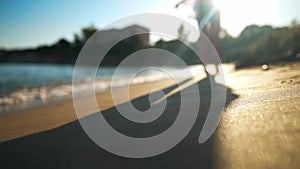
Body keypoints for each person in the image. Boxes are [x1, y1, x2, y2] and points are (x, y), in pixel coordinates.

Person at [176, 0, 220, 75]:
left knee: (213, 39)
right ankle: (206, 66)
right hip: (204, 10)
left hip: (211, 9)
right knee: (204, 40)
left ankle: (216, 65)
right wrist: (181, 3)